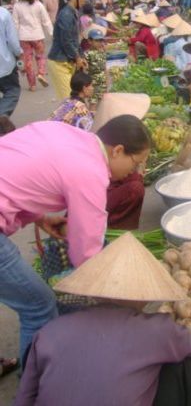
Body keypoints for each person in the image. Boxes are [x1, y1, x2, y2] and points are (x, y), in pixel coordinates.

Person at [0, 115, 151, 364]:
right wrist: (116, 298)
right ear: (119, 151)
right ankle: (33, 392)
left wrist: (40, 218)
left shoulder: (68, 134)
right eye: (135, 164)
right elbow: (86, 255)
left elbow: (19, 175)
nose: (133, 172)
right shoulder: (91, 171)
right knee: (39, 307)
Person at [14, 233, 191, 406]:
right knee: (185, 364)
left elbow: (24, 398)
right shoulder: (160, 330)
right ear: (145, 296)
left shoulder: (49, 331)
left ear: (93, 291)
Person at [92, 93, 151, 230]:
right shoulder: (91, 168)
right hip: (87, 210)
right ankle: (118, 236)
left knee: (135, 179)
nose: (135, 168)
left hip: (102, 189)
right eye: (135, 163)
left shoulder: (104, 146)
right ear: (118, 151)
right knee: (134, 189)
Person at [48, 0, 87, 99]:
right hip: (59, 62)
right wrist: (77, 57)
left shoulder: (73, 12)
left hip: (68, 61)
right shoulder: (65, 14)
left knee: (75, 98)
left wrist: (81, 56)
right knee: (68, 100)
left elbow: (75, 40)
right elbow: (66, 41)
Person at [12, 0, 53, 91]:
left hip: (23, 37)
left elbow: (15, 23)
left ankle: (32, 85)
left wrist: (14, 38)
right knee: (40, 57)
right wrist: (51, 33)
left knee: (28, 60)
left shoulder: (17, 6)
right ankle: (41, 73)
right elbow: (46, 21)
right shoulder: (39, 5)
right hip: (38, 35)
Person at [0, 5, 23, 116]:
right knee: (12, 91)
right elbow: (13, 41)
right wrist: (19, 54)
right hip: (4, 64)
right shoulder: (3, 13)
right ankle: (2, 116)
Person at [84, 28, 107, 106]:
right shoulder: (87, 54)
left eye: (101, 40)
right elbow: (84, 69)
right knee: (93, 102)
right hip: (93, 83)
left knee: (102, 102)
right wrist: (87, 84)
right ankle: (92, 117)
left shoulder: (102, 52)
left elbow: (105, 67)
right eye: (97, 40)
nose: (99, 43)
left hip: (102, 82)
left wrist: (106, 80)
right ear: (89, 41)